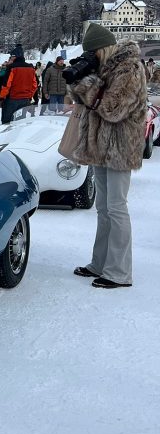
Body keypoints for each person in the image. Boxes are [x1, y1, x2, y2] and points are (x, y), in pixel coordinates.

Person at [69, 24, 146, 289]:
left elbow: (112, 108)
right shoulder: (103, 67)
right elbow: (86, 102)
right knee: (103, 208)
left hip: (120, 146)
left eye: (93, 52)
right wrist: (78, 80)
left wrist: (88, 83)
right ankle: (100, 264)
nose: (91, 57)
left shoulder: (129, 69)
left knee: (116, 207)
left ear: (103, 49)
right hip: (100, 146)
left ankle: (120, 272)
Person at [0, 45, 38, 122]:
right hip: (25, 99)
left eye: (11, 56)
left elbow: (7, 85)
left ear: (15, 57)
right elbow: (34, 85)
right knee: (21, 122)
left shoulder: (12, 67)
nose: (10, 58)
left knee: (7, 122)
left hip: (12, 99)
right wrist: (29, 96)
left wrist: (1, 97)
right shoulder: (31, 68)